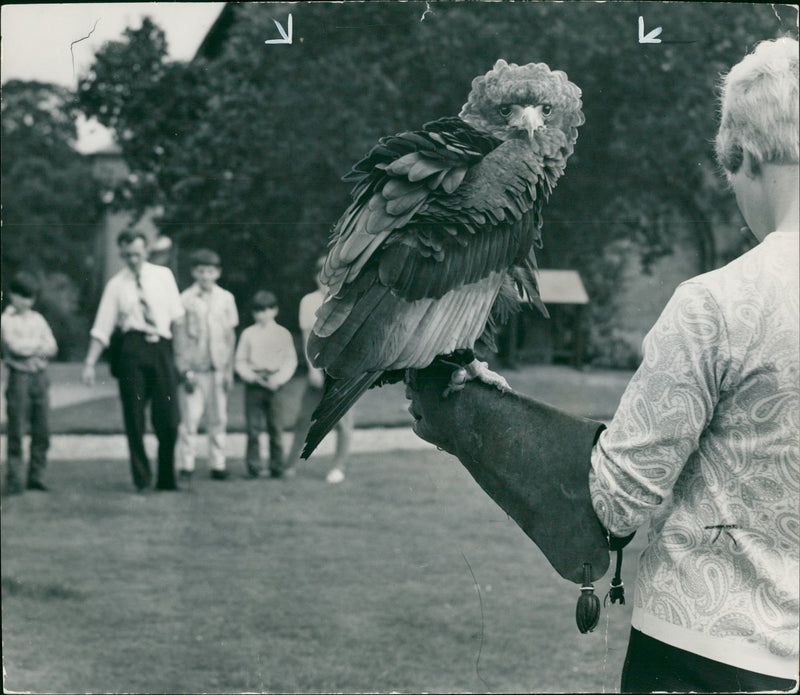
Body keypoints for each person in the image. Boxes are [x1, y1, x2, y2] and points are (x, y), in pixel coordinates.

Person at [407, 37, 798, 693]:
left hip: (707, 651)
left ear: (748, 156)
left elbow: (615, 502)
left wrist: (470, 412)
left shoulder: (717, 304)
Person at [82, 230, 185, 492]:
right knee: (134, 415)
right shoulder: (116, 285)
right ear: (121, 254)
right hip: (132, 350)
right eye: (127, 255)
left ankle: (166, 479)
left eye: (137, 254)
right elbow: (102, 328)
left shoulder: (163, 276)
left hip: (161, 347)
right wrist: (90, 363)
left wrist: (182, 357)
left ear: (147, 250)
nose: (133, 259)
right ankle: (141, 478)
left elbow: (178, 319)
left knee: (169, 418)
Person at [286, 257, 353, 483]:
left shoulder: (347, 299)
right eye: (321, 275)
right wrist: (313, 369)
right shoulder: (308, 301)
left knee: (341, 420)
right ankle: (290, 465)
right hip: (317, 367)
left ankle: (338, 467)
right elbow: (307, 338)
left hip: (341, 370)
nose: (326, 280)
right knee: (304, 417)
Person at [173, 249, 239, 482]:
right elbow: (179, 339)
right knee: (190, 419)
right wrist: (184, 370)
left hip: (218, 368)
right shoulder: (185, 299)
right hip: (195, 369)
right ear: (193, 272)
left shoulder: (226, 299)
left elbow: (230, 337)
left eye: (210, 271)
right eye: (201, 271)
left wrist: (229, 370)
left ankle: (218, 464)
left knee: (218, 418)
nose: (205, 276)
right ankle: (186, 465)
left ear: (218, 273)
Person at [1, 271, 58, 495]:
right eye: (22, 296)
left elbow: (52, 346)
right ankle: (14, 479)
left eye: (30, 297)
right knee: (17, 429)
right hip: (19, 378)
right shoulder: (6, 320)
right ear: (12, 295)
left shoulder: (38, 319)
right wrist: (37, 348)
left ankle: (37, 476)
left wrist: (33, 349)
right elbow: (15, 347)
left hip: (39, 378)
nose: (27, 301)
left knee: (42, 429)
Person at [234, 290, 297, 479]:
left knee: (275, 427)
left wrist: (278, 380)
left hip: (275, 383)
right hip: (254, 383)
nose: (262, 315)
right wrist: (252, 377)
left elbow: (290, 361)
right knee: (253, 429)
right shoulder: (248, 334)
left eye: (267, 310)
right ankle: (253, 468)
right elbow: (240, 360)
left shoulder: (282, 333)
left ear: (275, 310)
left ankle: (277, 467)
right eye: (258, 311)